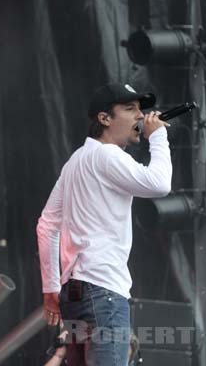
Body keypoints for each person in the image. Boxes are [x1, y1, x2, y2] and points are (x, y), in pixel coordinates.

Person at [36, 83, 172, 365]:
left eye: (140, 109)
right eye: (129, 108)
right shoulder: (108, 155)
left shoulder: (76, 161)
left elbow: (47, 225)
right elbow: (159, 184)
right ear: (104, 118)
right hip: (103, 290)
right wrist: (158, 137)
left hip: (74, 292)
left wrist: (51, 289)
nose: (139, 116)